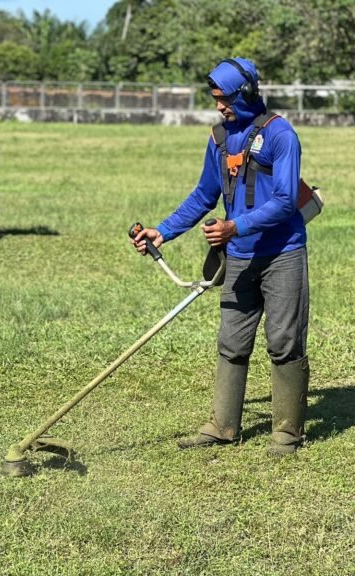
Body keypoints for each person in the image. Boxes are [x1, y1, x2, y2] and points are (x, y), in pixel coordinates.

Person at [131, 58, 310, 456]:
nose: (219, 107)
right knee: (231, 341)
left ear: (245, 94)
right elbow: (203, 195)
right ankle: (222, 425)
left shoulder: (281, 135)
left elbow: (285, 201)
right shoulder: (218, 139)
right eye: (215, 99)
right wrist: (164, 230)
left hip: (282, 254)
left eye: (224, 99)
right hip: (240, 257)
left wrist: (235, 228)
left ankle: (287, 431)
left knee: (284, 342)